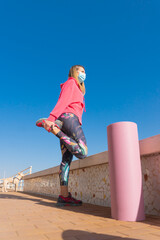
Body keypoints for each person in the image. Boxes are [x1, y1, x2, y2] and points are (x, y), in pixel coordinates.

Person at [36, 65, 88, 206]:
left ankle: (64, 196)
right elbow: (63, 101)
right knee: (83, 151)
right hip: (68, 118)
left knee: (66, 159)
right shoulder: (71, 82)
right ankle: (55, 130)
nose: (84, 73)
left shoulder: (78, 88)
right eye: (82, 71)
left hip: (64, 121)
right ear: (75, 72)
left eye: (85, 71)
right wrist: (51, 119)